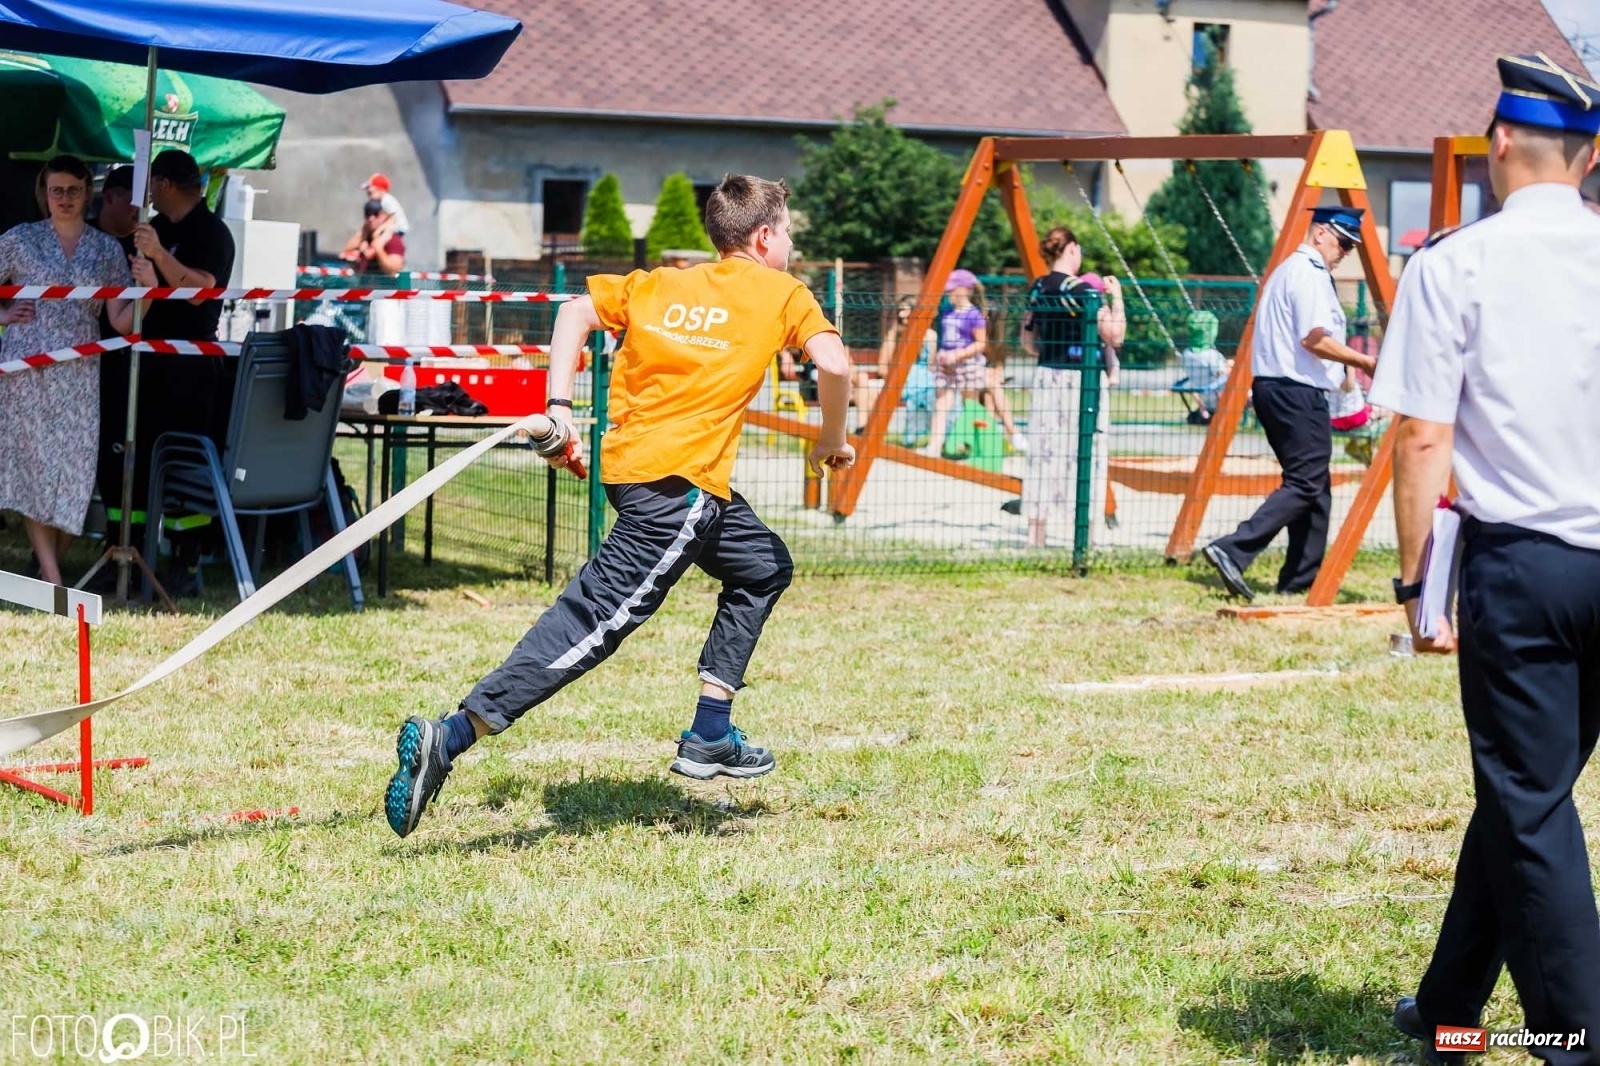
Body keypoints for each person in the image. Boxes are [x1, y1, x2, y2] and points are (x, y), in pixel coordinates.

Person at [383, 173, 857, 839]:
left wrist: (559, 407)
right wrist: (833, 441)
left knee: (763, 565)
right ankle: (452, 735)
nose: (790, 251)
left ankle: (710, 732)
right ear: (764, 237)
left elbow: (573, 311)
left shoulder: (665, 282)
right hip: (678, 494)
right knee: (592, 624)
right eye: (788, 238)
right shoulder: (783, 292)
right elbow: (835, 366)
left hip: (643, 475)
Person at [1373, 53, 1600, 1066]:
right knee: (1525, 789)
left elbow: (1422, 437)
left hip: (1524, 564)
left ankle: (1576, 1040)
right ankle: (1446, 1008)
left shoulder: (1452, 264)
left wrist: (1421, 586)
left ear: (1496, 143)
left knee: (1528, 801)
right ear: (1589, 156)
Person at [1199, 206, 1375, 600]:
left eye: (1351, 246)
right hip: (1296, 392)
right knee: (1306, 482)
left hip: (1275, 389)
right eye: (1343, 243)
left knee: (1316, 486)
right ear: (1320, 235)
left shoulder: (1285, 271)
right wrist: (1363, 362)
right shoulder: (1309, 274)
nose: (1346, 252)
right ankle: (1233, 549)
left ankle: (1298, 580)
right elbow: (1313, 339)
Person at [0, 154, 133, 585]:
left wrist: (147, 289)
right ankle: (53, 580)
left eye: (73, 190)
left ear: (87, 192)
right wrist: (3, 314)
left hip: (80, 370)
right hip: (28, 368)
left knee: (75, 474)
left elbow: (121, 321)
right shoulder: (19, 239)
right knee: (35, 469)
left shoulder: (106, 249)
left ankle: (43, 571)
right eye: (56, 190)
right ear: (44, 193)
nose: (64, 198)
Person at [99, 149, 238, 547]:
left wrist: (158, 256)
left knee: (181, 461)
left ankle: (186, 554)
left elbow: (200, 292)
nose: (146, 199)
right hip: (144, 360)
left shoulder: (211, 232)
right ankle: (126, 543)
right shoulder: (155, 226)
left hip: (189, 365)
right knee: (132, 455)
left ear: (164, 184)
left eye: (150, 188)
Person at [1018, 227, 1126, 549]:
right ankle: (1086, 534)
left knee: (1043, 453)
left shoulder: (1037, 289)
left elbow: (1027, 342)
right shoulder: (1084, 292)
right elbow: (1115, 336)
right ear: (1073, 249)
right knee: (1087, 453)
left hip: (1047, 376)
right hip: (1083, 379)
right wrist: (1117, 299)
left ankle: (1035, 535)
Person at [924, 269, 988, 458]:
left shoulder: (974, 315)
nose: (948, 293)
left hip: (968, 364)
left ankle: (973, 445)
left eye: (952, 290)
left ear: (965, 290)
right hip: (946, 363)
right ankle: (934, 445)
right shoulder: (946, 312)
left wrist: (959, 355)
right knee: (941, 404)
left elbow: (981, 343)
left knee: (970, 405)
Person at [1177, 309, 1230, 425]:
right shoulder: (1211, 355)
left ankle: (1202, 410)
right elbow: (1222, 374)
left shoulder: (1186, 354)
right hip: (1219, 397)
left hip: (1204, 399)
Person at [340, 200, 405, 276]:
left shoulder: (393, 240)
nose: (371, 218)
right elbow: (344, 252)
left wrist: (379, 249)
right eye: (368, 214)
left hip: (384, 286)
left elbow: (394, 270)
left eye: (376, 214)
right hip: (364, 285)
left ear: (384, 215)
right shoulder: (364, 238)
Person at [94, 166, 137, 257]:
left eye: (148, 202)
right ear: (109, 198)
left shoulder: (147, 247)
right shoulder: (77, 237)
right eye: (136, 201)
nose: (143, 210)